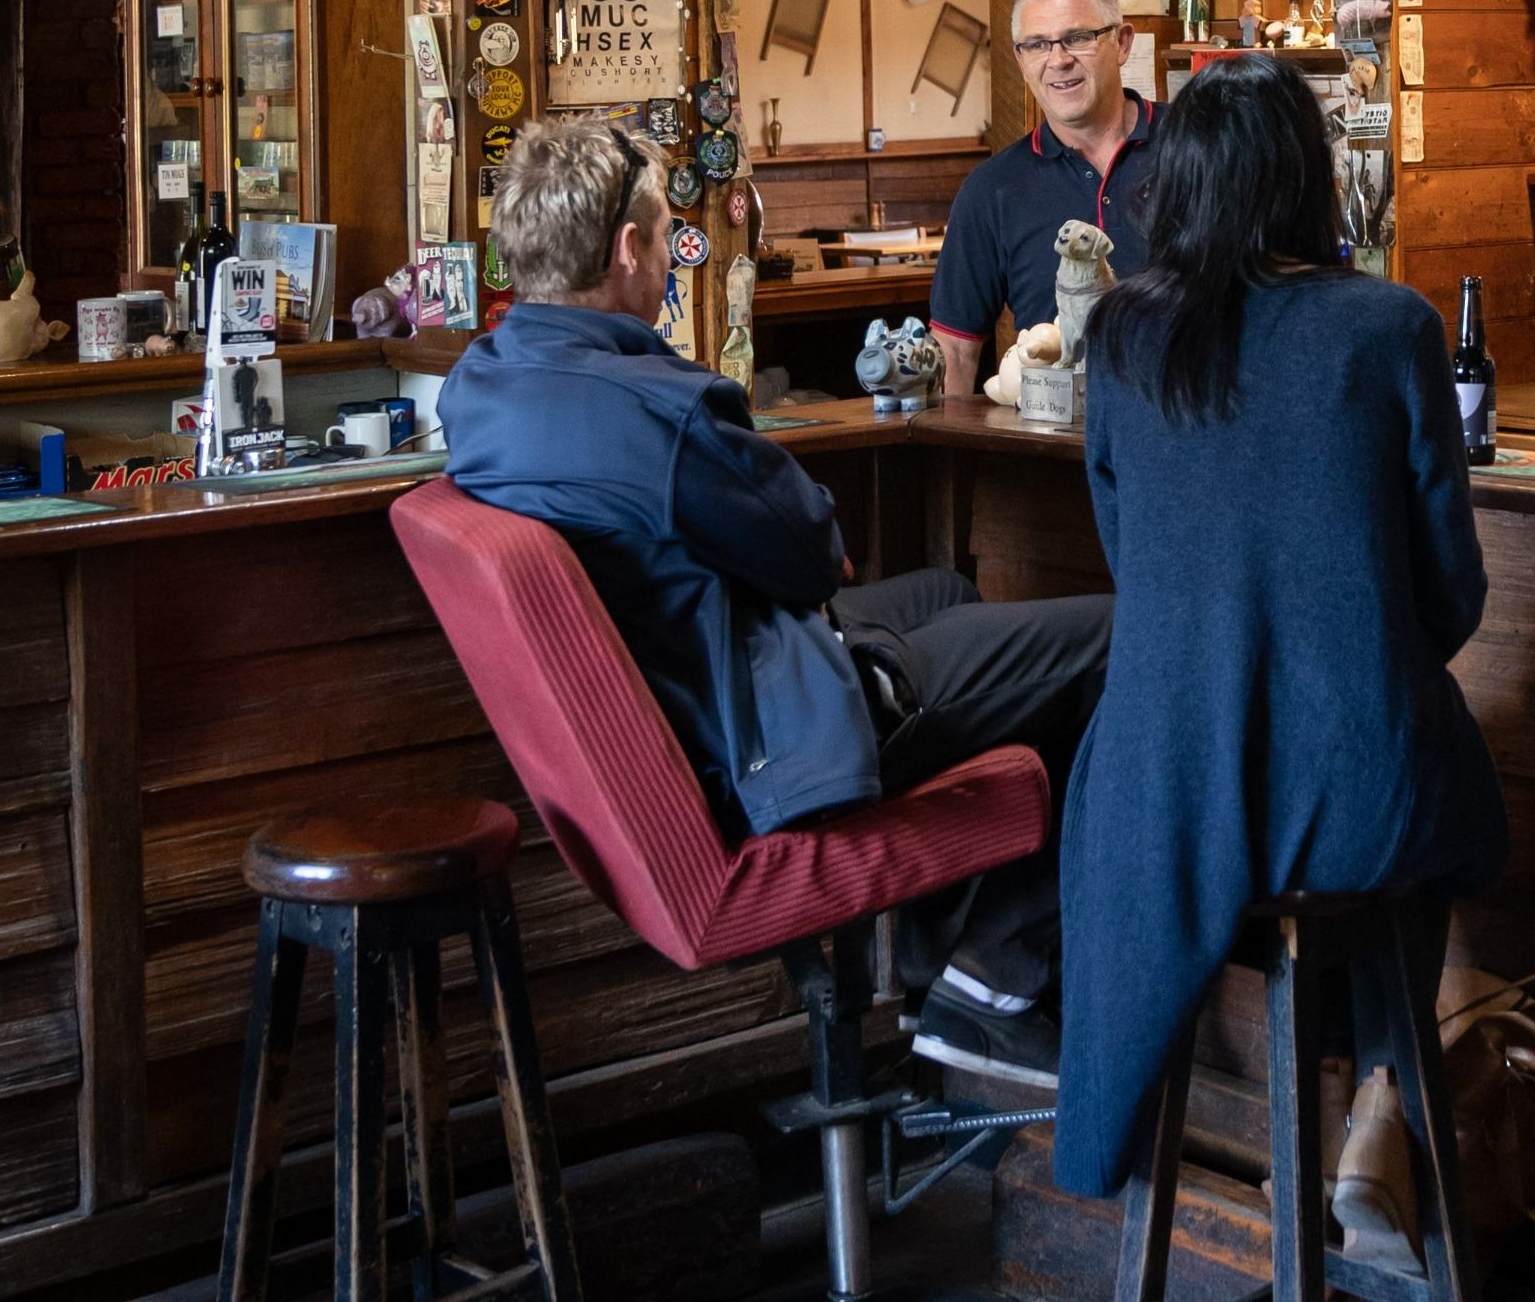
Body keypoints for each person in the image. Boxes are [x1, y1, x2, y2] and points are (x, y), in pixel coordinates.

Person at [441, 119, 1114, 1084]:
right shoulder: (657, 409)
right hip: (767, 726)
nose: (672, 249)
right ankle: (997, 981)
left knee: (948, 589)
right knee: (1123, 636)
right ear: (629, 249)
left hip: (703, 685)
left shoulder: (483, 383)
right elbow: (812, 556)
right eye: (666, 228)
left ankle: (936, 962)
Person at [1053, 55, 1504, 1256]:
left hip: (1163, 803)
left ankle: (1359, 1118)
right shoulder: (1388, 326)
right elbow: (1451, 593)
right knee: (1429, 760)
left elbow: (1131, 563)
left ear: (1178, 182)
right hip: (1355, 803)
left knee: (1377, 750)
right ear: (1311, 175)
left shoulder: (1120, 338)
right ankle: (1383, 1106)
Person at [928, 0, 1162, 399]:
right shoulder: (992, 189)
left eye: (1078, 37)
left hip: (1188, 433)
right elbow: (955, 351)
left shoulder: (1200, 150)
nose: (1059, 60)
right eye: (1037, 44)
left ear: (1122, 42)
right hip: (1050, 450)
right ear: (1020, 60)